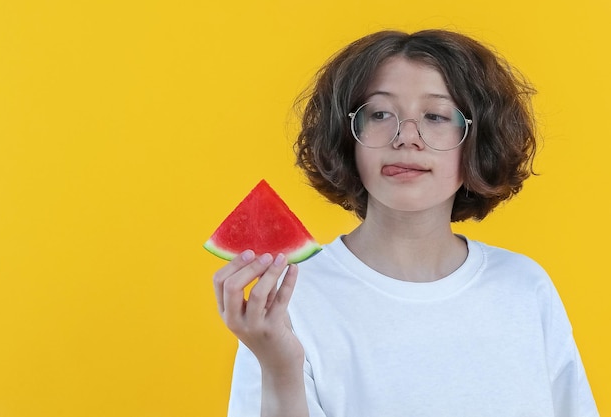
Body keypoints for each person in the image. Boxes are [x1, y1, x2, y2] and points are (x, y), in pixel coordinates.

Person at [211, 29, 599, 417]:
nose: (406, 138)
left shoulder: (524, 287)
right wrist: (280, 368)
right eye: (380, 114)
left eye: (436, 116)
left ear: (478, 141)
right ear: (348, 138)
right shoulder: (285, 300)